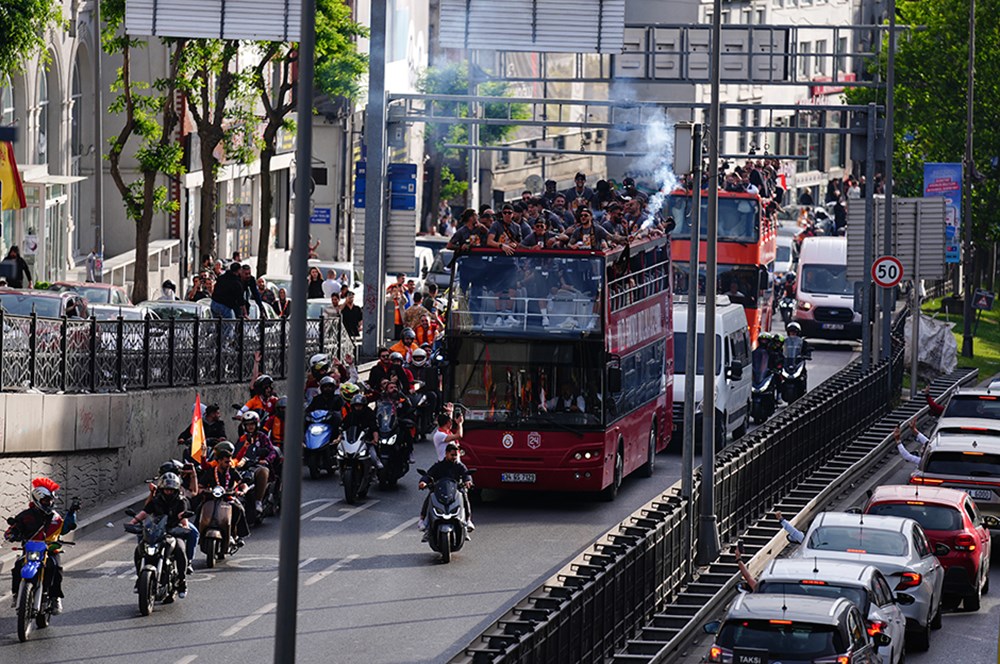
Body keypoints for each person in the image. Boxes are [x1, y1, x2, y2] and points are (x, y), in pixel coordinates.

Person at [4, 477, 79, 613]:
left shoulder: (55, 517)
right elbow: (13, 529)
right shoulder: (25, 516)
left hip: (50, 550)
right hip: (30, 551)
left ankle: (55, 597)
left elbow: (66, 527)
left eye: (50, 500)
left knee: (56, 567)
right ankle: (16, 594)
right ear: (37, 500)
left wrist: (72, 513)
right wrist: (12, 534)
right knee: (17, 567)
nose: (49, 503)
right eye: (45, 500)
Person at [126, 473, 191, 597]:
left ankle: (182, 581)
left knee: (180, 549)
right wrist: (133, 522)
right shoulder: (156, 500)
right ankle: (140, 578)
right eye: (166, 489)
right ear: (161, 489)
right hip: (157, 531)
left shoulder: (180, 501)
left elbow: (182, 516)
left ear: (176, 490)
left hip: (173, 531)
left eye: (171, 490)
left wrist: (184, 526)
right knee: (139, 550)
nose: (168, 492)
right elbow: (145, 513)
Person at [417, 443, 475, 541]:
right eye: (452, 455)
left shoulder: (459, 466)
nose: (454, 457)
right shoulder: (438, 466)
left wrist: (468, 481)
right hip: (440, 491)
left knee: (464, 495)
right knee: (430, 497)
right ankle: (423, 521)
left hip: (455, 491)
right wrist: (423, 482)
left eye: (456, 455)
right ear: (446, 454)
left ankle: (467, 521)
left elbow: (466, 475)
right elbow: (428, 475)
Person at [198, 441, 250, 544]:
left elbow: (242, 484)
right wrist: (203, 491)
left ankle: (234, 534)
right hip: (212, 498)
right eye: (226, 462)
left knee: (239, 509)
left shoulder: (232, 471)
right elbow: (200, 486)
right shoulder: (211, 471)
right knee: (199, 509)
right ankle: (200, 533)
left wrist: (242, 491)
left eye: (229, 461)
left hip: (228, 499)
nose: (228, 464)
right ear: (219, 461)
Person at [234, 412, 282, 515]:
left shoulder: (262, 437)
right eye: (247, 424)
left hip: (257, 466)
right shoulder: (242, 438)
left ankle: (258, 501)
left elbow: (272, 451)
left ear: (257, 424)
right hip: (243, 466)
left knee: (263, 471)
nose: (250, 426)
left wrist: (267, 460)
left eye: (252, 424)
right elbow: (236, 453)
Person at [341, 393, 384, 469]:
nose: (358, 408)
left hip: (366, 441)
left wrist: (375, 440)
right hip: (352, 441)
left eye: (360, 405)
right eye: (356, 405)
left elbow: (374, 428)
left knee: (374, 458)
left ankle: (374, 472)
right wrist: (339, 438)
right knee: (340, 455)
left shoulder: (369, 414)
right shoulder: (350, 415)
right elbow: (344, 427)